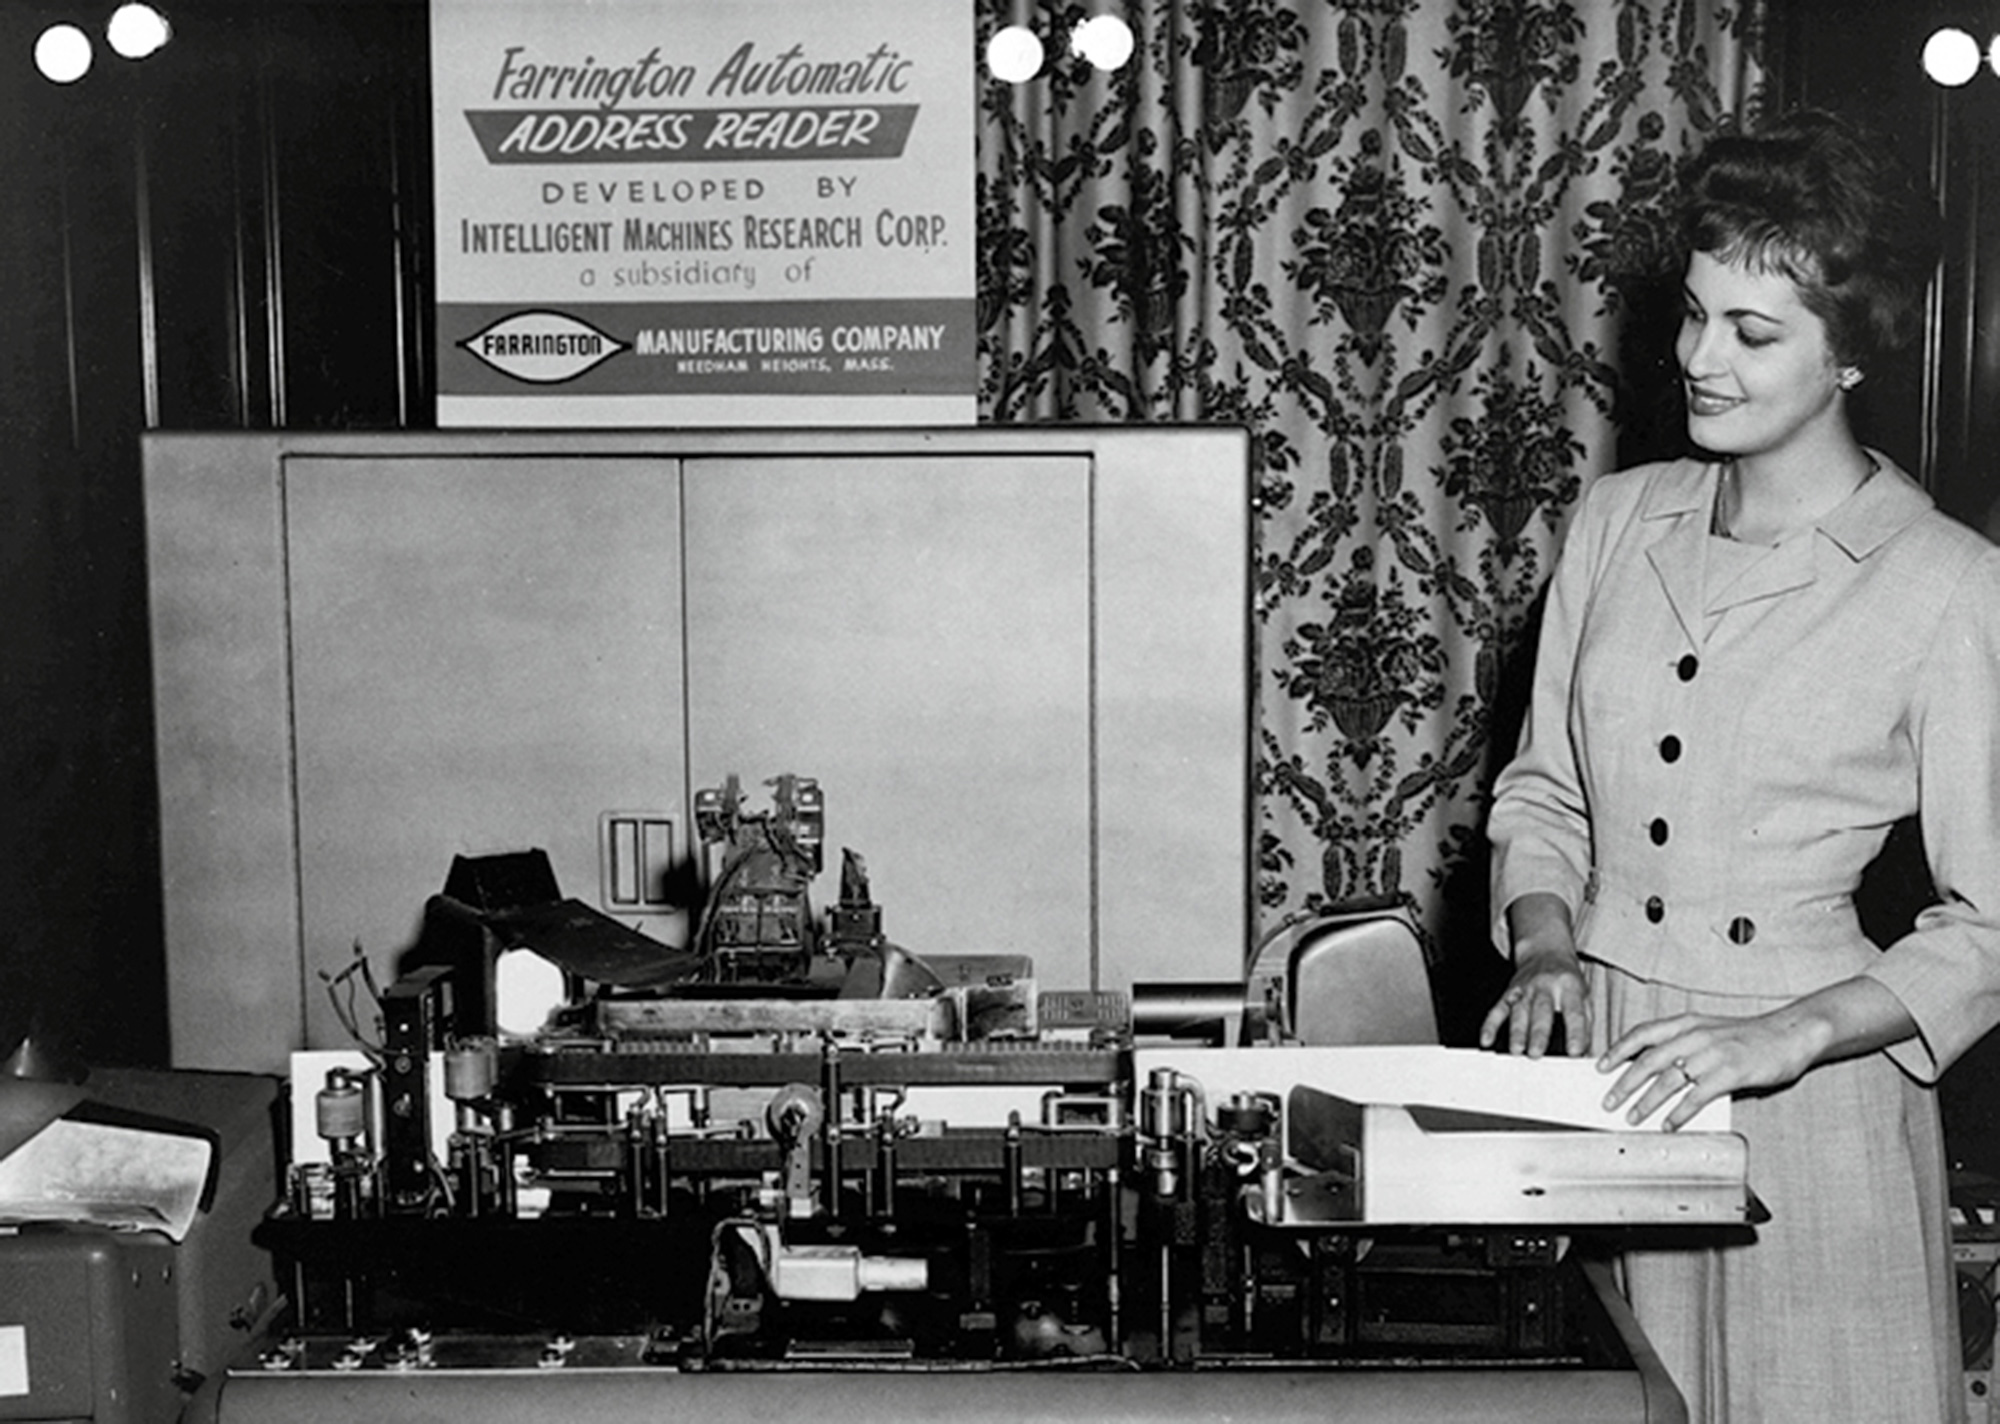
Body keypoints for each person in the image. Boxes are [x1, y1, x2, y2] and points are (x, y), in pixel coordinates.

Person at [1479, 107, 2000, 1424]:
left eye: (1755, 334)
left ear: (1853, 357)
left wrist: (1785, 1034)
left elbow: (1991, 925)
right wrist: (1545, 942)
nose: (1701, 359)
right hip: (1606, 1079)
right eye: (1696, 316)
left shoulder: (1948, 584)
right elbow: (1544, 792)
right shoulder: (1611, 522)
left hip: (1816, 1103)